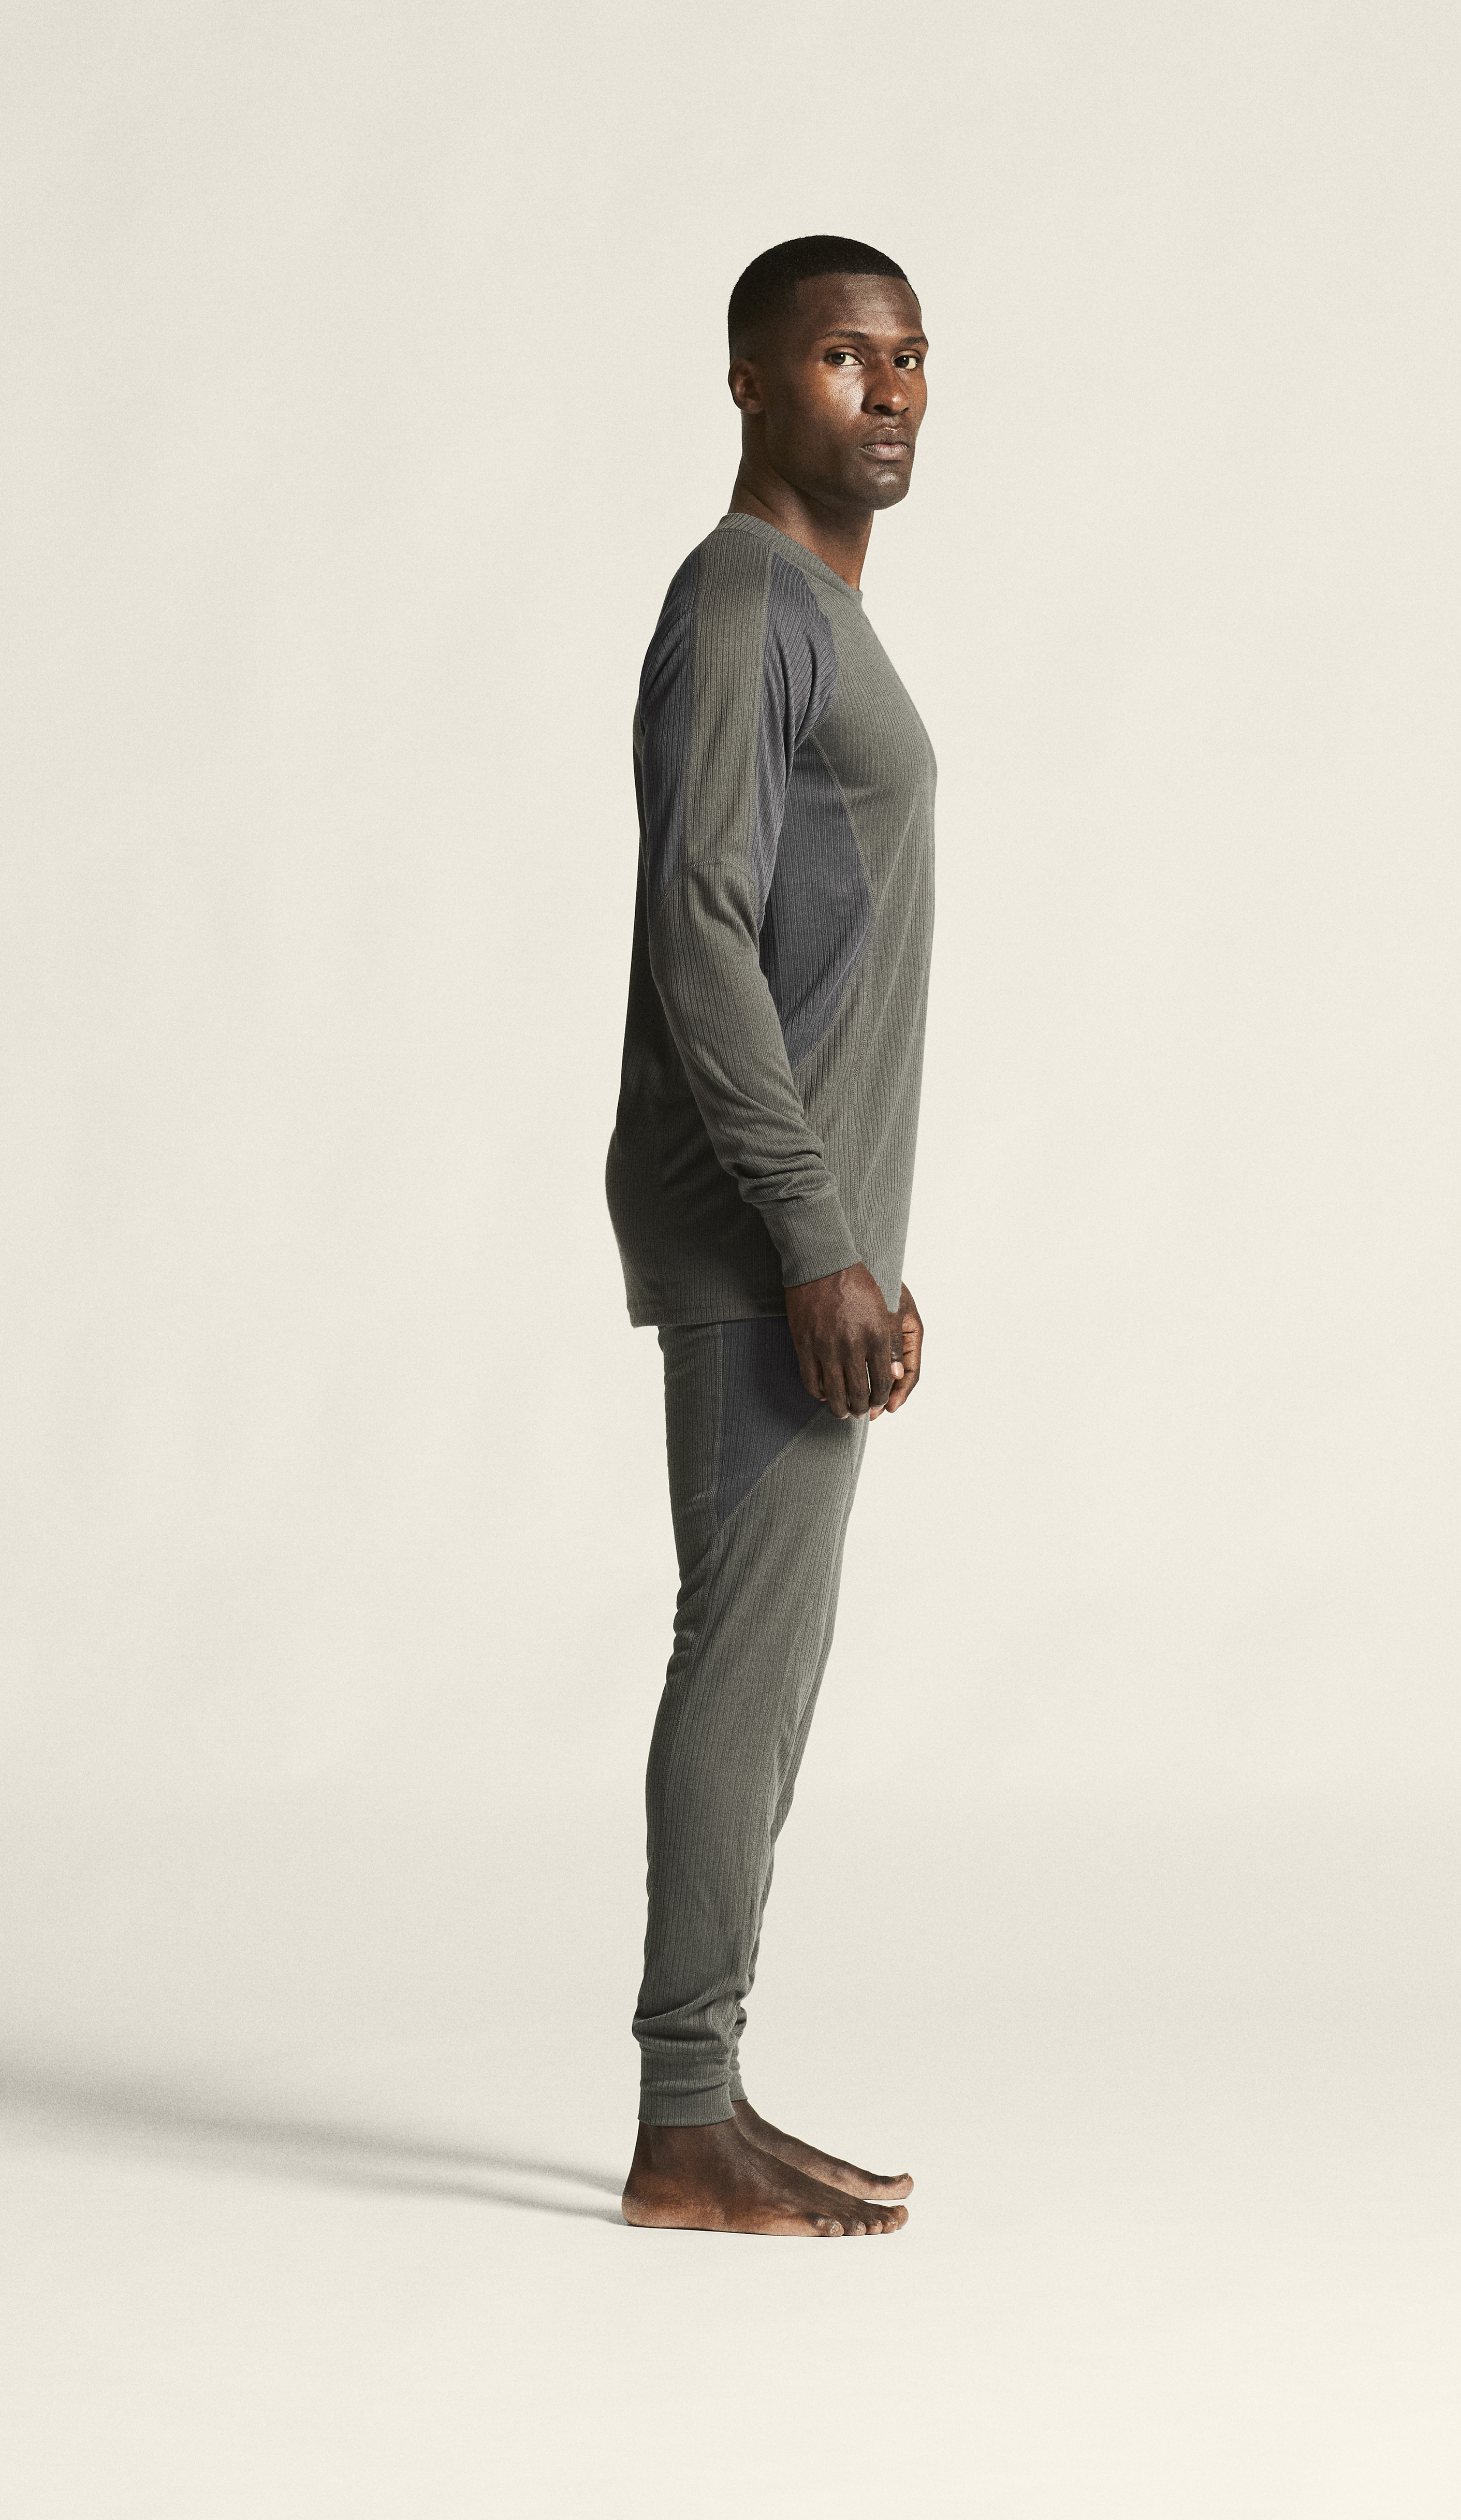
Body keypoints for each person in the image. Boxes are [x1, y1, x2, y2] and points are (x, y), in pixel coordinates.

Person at [605, 235, 937, 2237]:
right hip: (758, 1229)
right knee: (743, 1649)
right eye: (839, 355)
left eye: (908, 358)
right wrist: (815, 1237)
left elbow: (821, 962)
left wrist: (866, 1247)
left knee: (772, 1649)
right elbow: (702, 937)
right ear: (749, 381)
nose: (886, 392)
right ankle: (685, 2116)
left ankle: (708, 2101)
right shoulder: (739, 601)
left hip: (813, 1231)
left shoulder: (816, 612)